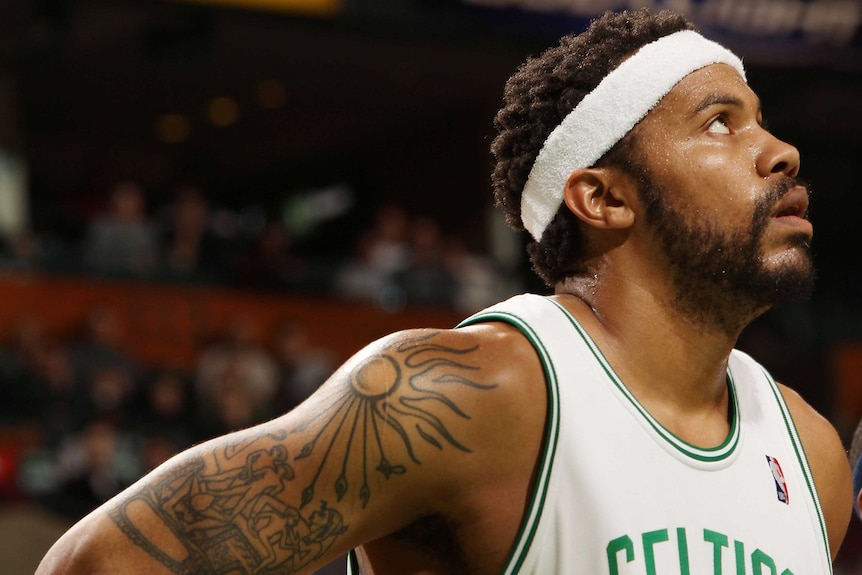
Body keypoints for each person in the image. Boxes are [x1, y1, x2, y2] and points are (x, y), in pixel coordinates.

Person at [35, 8, 851, 574]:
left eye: (760, 119)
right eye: (719, 122)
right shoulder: (465, 396)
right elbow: (100, 561)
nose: (779, 151)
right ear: (602, 197)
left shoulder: (813, 454)